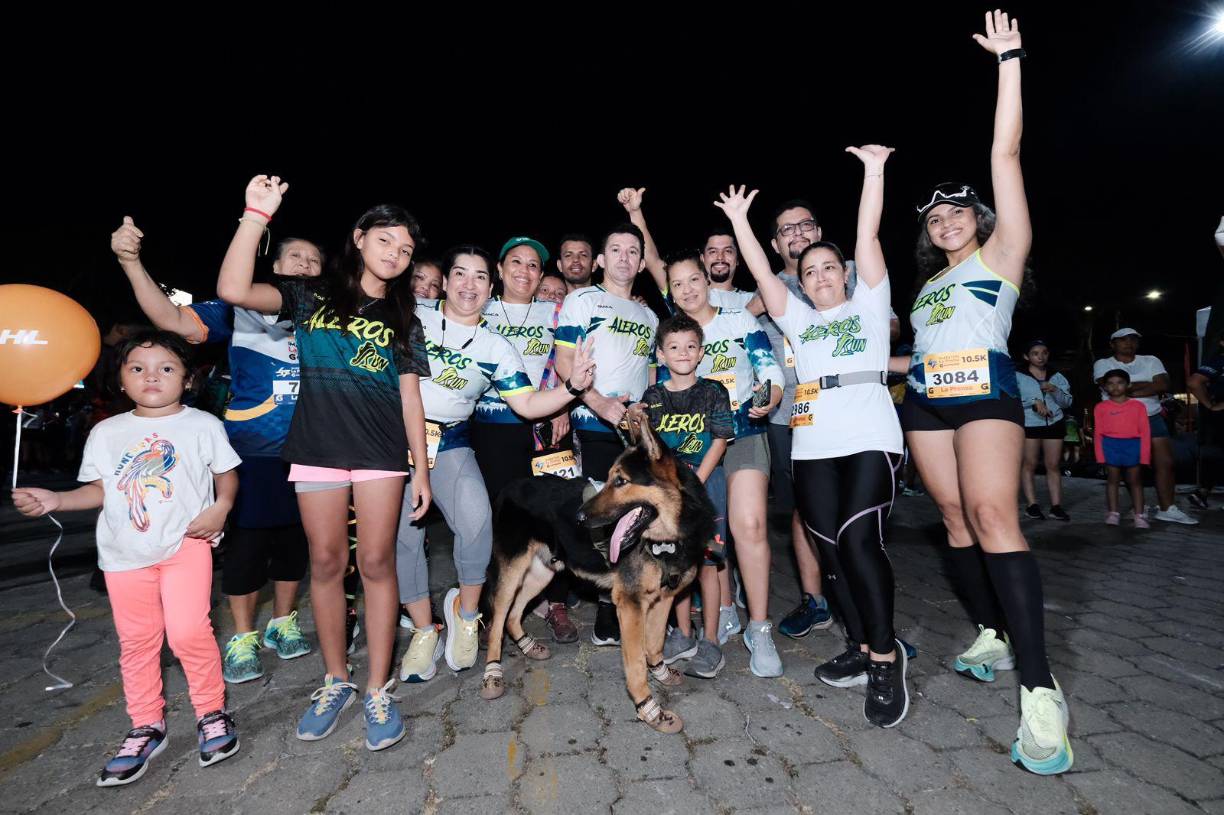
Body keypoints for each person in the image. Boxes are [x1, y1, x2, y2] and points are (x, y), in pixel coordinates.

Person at [899, 11, 1071, 774]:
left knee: (995, 513)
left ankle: (1040, 686)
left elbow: (1006, 151)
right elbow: (919, 352)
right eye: (935, 217)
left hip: (987, 395)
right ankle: (991, 631)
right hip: (926, 401)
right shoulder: (926, 287)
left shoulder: (1002, 254)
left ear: (980, 218)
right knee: (952, 517)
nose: (945, 222)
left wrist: (1009, 60)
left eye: (957, 211)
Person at [216, 175, 432, 752]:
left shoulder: (404, 317)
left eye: (406, 249)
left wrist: (421, 470)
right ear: (359, 238)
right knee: (328, 562)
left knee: (378, 562)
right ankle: (337, 680)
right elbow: (233, 288)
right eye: (386, 240)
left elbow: (411, 398)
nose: (396, 254)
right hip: (317, 449)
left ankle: (378, 687)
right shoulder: (311, 295)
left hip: (381, 452)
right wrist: (256, 216)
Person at [718, 142, 912, 727]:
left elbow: (868, 235)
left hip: (871, 438)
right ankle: (860, 644)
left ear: (845, 273)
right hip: (812, 445)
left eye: (830, 267)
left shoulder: (870, 305)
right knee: (830, 550)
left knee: (859, 542)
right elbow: (760, 271)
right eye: (810, 271)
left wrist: (873, 173)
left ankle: (886, 659)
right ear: (800, 281)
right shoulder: (797, 318)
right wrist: (739, 221)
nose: (821, 275)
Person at [13, 330, 241, 785]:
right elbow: (99, 490)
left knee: (189, 632)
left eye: (166, 368)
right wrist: (57, 500)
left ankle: (211, 712)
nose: (151, 376)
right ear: (121, 379)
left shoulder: (203, 425)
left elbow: (226, 475)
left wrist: (221, 507)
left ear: (188, 379)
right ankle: (146, 725)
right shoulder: (106, 432)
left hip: (185, 545)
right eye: (138, 368)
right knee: (137, 641)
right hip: (123, 554)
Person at [112, 217, 320, 683]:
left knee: (294, 546)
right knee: (248, 549)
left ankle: (282, 622)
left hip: (313, 453)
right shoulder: (238, 310)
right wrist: (131, 263)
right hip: (251, 453)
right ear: (274, 266)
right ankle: (242, 636)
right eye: (296, 256)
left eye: (314, 260)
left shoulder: (328, 315)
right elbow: (170, 320)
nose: (306, 265)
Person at [619, 188, 831, 647]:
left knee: (748, 526)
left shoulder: (738, 321)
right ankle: (717, 613)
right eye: (677, 285)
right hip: (691, 445)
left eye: (694, 279)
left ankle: (760, 628)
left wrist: (769, 396)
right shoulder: (672, 334)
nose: (687, 290)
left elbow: (770, 371)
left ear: (705, 276)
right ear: (671, 291)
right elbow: (654, 391)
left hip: (744, 433)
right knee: (702, 531)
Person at [397, 246, 596, 684]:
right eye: (460, 274)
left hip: (449, 442)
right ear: (445, 281)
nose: (469, 285)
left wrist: (571, 389)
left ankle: (467, 613)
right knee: (405, 540)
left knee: (479, 523)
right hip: (391, 442)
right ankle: (424, 631)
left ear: (491, 288)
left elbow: (526, 403)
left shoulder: (496, 346)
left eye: (479, 277)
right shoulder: (414, 316)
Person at [466, 237, 578, 645]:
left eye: (533, 265)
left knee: (555, 518)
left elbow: (569, 361)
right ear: (499, 269)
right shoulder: (480, 308)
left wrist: (564, 405)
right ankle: (488, 610)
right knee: (498, 522)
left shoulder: (555, 311)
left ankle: (555, 602)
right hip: (493, 427)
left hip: (548, 428)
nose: (524, 271)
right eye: (516, 262)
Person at [554, 223, 660, 645]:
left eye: (633, 251)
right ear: (600, 260)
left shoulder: (649, 316)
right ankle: (606, 606)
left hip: (635, 430)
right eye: (615, 249)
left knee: (638, 516)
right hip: (593, 421)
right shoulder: (581, 300)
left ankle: (636, 598)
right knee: (602, 515)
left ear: (641, 262)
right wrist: (598, 402)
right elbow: (564, 363)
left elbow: (650, 375)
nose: (624, 257)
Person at [640, 314, 735, 678]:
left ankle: (710, 640)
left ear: (701, 353)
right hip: (667, 491)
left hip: (705, 486)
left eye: (690, 346)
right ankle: (683, 634)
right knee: (675, 563)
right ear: (661, 355)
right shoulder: (653, 397)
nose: (683, 353)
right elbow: (649, 448)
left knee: (708, 564)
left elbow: (720, 440)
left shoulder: (714, 391)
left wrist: (693, 482)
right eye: (674, 347)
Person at [1092, 328, 1197, 525]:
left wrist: (1129, 389)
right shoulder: (1103, 363)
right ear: (1112, 344)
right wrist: (1147, 385)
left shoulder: (1151, 360)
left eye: (1133, 339)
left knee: (1165, 462)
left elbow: (1163, 384)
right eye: (1123, 340)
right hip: (1121, 419)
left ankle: (1167, 509)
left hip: (1152, 416)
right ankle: (1139, 508)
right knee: (1130, 467)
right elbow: (1108, 386)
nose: (1129, 343)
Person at [1016, 340, 1073, 521]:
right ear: (1026, 356)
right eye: (1035, 353)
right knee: (1029, 464)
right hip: (1029, 424)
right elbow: (1011, 400)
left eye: (1044, 352)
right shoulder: (1017, 375)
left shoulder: (1057, 376)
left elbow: (1067, 402)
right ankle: (1032, 505)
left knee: (1053, 465)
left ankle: (1056, 507)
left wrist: (1055, 390)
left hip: (1054, 422)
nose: (1040, 357)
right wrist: (1033, 402)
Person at [1094, 370, 1151, 527]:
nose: (1115, 386)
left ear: (1128, 385)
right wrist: (1100, 456)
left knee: (1135, 481)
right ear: (1105, 387)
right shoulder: (1100, 407)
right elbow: (1098, 433)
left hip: (1133, 446)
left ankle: (1139, 515)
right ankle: (1113, 513)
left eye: (1120, 382)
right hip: (1110, 446)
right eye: (1110, 383)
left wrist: (1145, 456)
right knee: (1112, 480)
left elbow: (1145, 432)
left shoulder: (1138, 406)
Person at [1187, 338, 1224, 508]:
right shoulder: (1218, 361)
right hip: (1218, 413)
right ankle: (1202, 492)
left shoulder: (1216, 361)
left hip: (1218, 412)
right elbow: (1194, 382)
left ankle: (1202, 492)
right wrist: (1209, 405)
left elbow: (1194, 382)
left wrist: (1210, 405)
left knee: (1216, 454)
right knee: (1216, 454)